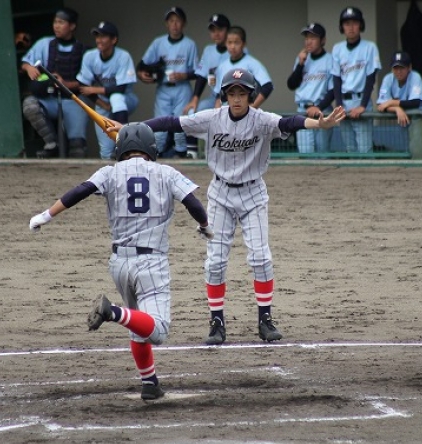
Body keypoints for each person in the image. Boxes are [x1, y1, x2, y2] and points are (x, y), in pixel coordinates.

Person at [108, 69, 346, 345]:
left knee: (260, 257)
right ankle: (217, 322)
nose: (237, 99)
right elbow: (171, 122)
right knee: (215, 261)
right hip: (220, 194)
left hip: (253, 193)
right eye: (232, 93)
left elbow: (290, 122)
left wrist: (319, 124)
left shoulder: (261, 120)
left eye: (242, 93)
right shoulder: (212, 118)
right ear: (224, 95)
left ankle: (265, 319)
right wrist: (132, 128)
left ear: (250, 96)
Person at [28, 122, 213, 400]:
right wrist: (205, 226)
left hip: (119, 264)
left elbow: (79, 191)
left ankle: (149, 383)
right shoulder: (166, 172)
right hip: (151, 263)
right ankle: (112, 312)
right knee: (158, 330)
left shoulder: (109, 172)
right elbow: (193, 204)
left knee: (138, 326)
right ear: (151, 148)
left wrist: (45, 215)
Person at [20, 7, 89, 158]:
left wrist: (65, 84)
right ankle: (52, 143)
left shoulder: (83, 50)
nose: (56, 26)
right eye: (55, 22)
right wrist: (29, 68)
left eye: (61, 22)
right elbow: (25, 62)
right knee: (30, 105)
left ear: (72, 26)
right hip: (49, 99)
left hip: (73, 100)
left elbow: (87, 83)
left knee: (77, 150)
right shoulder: (45, 44)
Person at [136, 7, 197, 158]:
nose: (174, 24)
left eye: (178, 21)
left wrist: (183, 75)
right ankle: (157, 160)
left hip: (182, 89)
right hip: (163, 89)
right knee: (159, 132)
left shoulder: (190, 44)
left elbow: (197, 72)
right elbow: (142, 65)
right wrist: (141, 75)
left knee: (180, 127)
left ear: (184, 23)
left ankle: (181, 157)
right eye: (171, 21)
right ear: (166, 24)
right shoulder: (158, 43)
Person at [77, 21, 138, 160]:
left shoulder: (123, 56)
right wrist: (101, 103)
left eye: (103, 36)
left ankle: (123, 141)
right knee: (105, 152)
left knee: (116, 97)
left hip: (125, 100)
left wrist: (95, 89)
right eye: (97, 36)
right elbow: (83, 86)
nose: (99, 40)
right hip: (103, 102)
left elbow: (121, 88)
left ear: (114, 39)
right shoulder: (90, 56)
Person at [329, 6, 381, 154]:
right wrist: (339, 106)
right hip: (344, 102)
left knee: (365, 150)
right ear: (342, 27)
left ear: (360, 25)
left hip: (360, 100)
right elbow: (336, 80)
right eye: (347, 23)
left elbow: (371, 79)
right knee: (350, 149)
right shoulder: (337, 48)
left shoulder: (370, 47)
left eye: (354, 23)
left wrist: (363, 106)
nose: (351, 27)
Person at [182, 13, 233, 158]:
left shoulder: (235, 50)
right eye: (212, 30)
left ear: (228, 30)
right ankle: (191, 152)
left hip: (234, 97)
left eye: (220, 29)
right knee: (192, 112)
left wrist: (221, 97)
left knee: (225, 117)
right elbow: (201, 75)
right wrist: (195, 99)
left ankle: (227, 152)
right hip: (214, 97)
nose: (216, 33)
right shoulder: (209, 50)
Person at [286, 22, 335, 154]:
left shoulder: (330, 59)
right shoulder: (302, 59)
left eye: (313, 38)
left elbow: (333, 90)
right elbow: (291, 84)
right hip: (303, 110)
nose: (308, 41)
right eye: (307, 38)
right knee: (305, 154)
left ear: (322, 40)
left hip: (322, 110)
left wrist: (319, 107)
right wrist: (300, 64)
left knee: (322, 154)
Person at [376, 51, 422, 155]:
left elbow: (415, 102)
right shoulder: (388, 79)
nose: (399, 71)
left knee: (417, 148)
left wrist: (391, 102)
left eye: (402, 68)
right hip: (403, 117)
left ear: (409, 67)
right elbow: (381, 106)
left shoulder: (415, 77)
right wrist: (397, 109)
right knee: (406, 149)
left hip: (417, 116)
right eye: (395, 68)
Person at [212, 26, 273, 109]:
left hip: (246, 111)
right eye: (229, 42)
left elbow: (268, 86)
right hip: (227, 112)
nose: (233, 46)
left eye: (236, 43)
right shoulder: (222, 66)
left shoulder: (252, 63)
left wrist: (253, 107)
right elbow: (219, 94)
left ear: (244, 44)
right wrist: (218, 111)